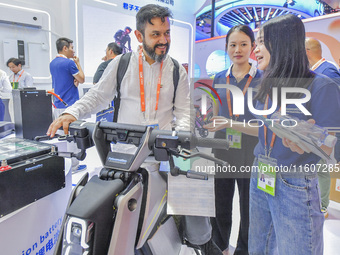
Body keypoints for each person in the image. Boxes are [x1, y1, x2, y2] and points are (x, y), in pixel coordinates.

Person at [47, 4, 221, 255]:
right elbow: (97, 96)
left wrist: (181, 139)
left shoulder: (176, 71)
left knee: (196, 182)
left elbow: (184, 112)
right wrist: (71, 112)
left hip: (163, 152)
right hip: (125, 155)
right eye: (156, 35)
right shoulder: (121, 64)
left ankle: (201, 242)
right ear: (139, 36)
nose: (164, 40)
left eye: (167, 33)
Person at [206, 14, 340, 254]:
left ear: (282, 43)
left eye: (260, 42)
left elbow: (333, 148)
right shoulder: (267, 84)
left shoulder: (322, 86)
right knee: (259, 247)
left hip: (294, 182)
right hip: (261, 171)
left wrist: (310, 141)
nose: (254, 50)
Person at [203, 25, 261, 255]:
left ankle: (243, 250)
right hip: (222, 148)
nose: (238, 49)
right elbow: (216, 114)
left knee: (247, 207)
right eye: (233, 45)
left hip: (250, 149)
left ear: (252, 47)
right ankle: (220, 247)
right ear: (226, 48)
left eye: (243, 44)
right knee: (220, 203)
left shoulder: (261, 79)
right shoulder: (219, 77)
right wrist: (207, 121)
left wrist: (229, 123)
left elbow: (263, 125)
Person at [305, 37, 340, 218]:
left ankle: (323, 206)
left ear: (307, 51)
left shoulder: (329, 71)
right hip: (313, 129)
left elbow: (333, 104)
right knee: (316, 167)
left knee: (321, 167)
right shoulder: (315, 71)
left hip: (323, 131)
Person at [50, 37, 86, 173]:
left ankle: (63, 165)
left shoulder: (52, 63)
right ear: (65, 48)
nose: (73, 50)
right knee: (72, 137)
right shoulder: (69, 63)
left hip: (58, 104)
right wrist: (78, 63)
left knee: (60, 136)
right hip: (70, 105)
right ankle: (74, 166)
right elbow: (82, 79)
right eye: (71, 48)